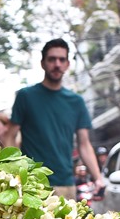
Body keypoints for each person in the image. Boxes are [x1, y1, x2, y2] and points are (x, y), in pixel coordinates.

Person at [9, 38, 104, 199]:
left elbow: (84, 144)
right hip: (33, 186)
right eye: (52, 59)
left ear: (67, 64)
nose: (57, 64)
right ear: (43, 63)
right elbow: (10, 137)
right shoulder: (26, 96)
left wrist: (98, 179)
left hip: (66, 184)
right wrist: (15, 173)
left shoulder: (76, 102)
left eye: (62, 59)